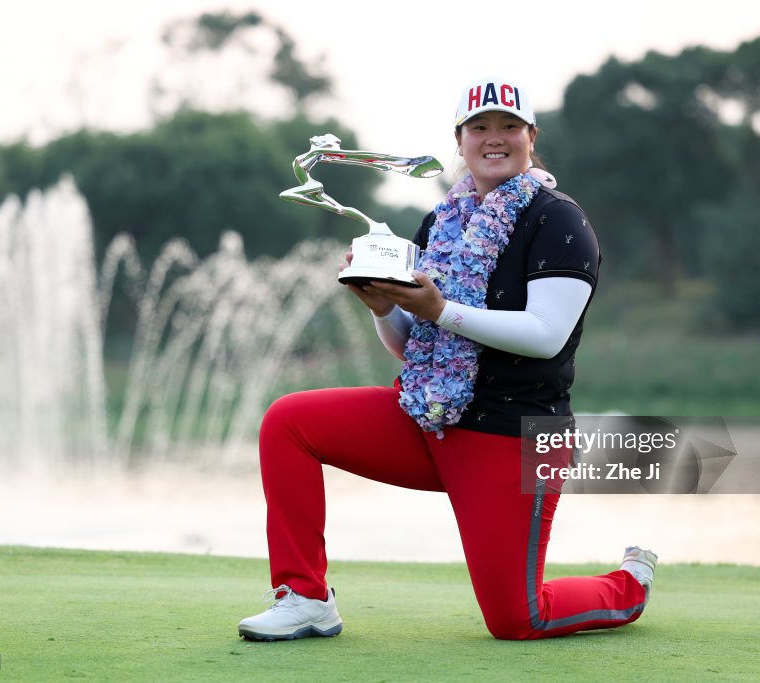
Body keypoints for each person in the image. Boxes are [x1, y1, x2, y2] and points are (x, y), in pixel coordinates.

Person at [238, 78, 657, 642]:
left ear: (532, 137)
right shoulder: (441, 222)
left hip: (513, 436)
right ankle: (306, 598)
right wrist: (384, 309)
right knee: (288, 422)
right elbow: (413, 344)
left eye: (509, 126)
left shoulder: (560, 220)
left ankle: (630, 581)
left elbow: (545, 336)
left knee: (516, 619)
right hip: (430, 418)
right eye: (479, 127)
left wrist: (439, 308)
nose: (494, 138)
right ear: (459, 141)